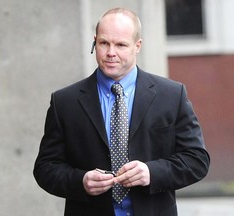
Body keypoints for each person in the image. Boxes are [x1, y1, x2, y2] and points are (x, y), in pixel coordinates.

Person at [33, 7, 210, 216]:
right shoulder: (65, 102)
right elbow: (45, 168)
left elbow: (197, 159)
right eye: (104, 43)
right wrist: (81, 181)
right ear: (94, 42)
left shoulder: (171, 95)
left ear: (137, 46)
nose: (110, 52)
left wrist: (151, 172)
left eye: (120, 45)